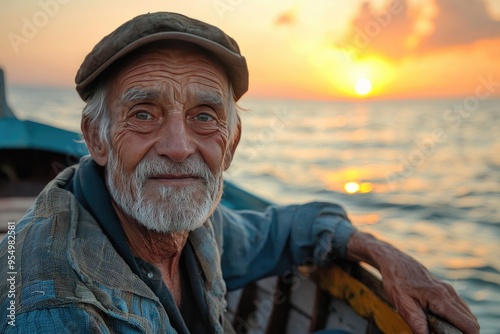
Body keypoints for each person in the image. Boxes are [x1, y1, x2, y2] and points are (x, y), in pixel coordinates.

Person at [0, 12, 478, 334]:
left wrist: (381, 251)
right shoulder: (52, 303)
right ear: (97, 138)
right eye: (143, 113)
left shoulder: (198, 229)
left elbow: (283, 231)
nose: (178, 147)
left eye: (204, 117)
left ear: (231, 143)